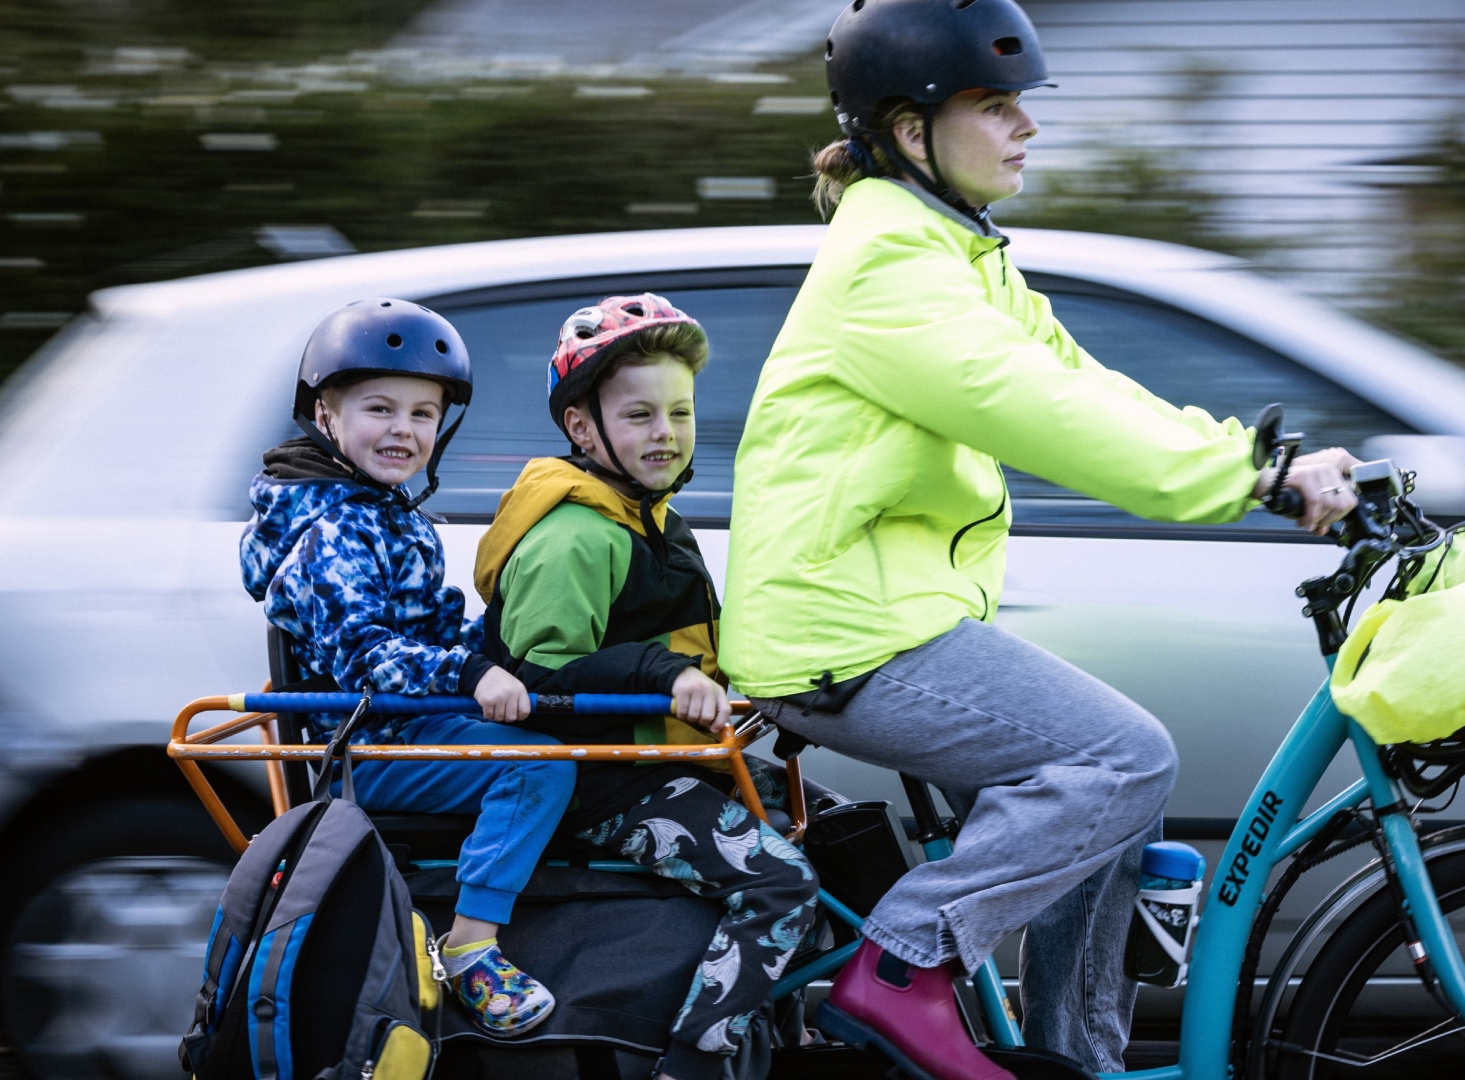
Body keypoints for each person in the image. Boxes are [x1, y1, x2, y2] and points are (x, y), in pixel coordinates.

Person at [718, 2, 1365, 1078]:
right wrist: (1246, 479)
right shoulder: (890, 269)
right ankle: (900, 965)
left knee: (1116, 798)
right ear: (911, 130)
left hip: (894, 615)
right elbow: (1039, 412)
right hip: (839, 631)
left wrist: (1249, 455)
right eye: (995, 104)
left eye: (1021, 105)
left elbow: (1086, 387)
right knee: (1119, 755)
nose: (1026, 127)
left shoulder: (961, 252)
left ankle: (1081, 1061)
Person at [472, 295, 820, 1080]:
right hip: (602, 786)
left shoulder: (651, 517)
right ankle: (694, 1064)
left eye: (680, 412)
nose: (664, 432)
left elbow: (700, 644)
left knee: (830, 823)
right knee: (780, 882)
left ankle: (786, 1040)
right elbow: (536, 682)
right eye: (638, 416)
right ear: (583, 429)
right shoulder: (574, 536)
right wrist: (665, 677)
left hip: (660, 761)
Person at [240, 297, 575, 1038]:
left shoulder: (389, 514)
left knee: (568, 719)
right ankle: (472, 948)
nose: (403, 430)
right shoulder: (328, 525)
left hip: (408, 721)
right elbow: (365, 656)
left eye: (424, 414)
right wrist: (470, 676)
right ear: (324, 414)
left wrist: (507, 640)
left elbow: (435, 628)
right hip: (367, 743)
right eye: (379, 409)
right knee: (539, 769)